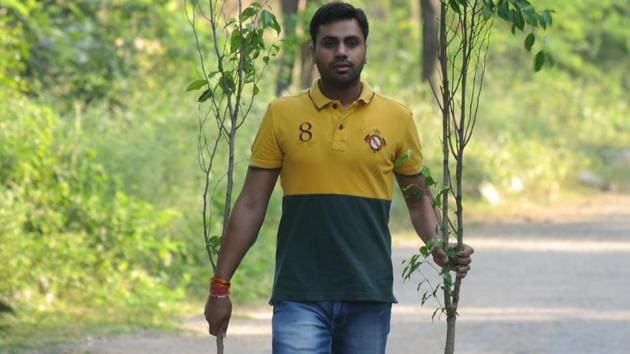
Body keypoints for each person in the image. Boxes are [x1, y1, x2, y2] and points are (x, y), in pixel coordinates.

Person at [204, 2, 474, 353]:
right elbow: (252, 204)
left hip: (368, 294)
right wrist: (219, 287)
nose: (342, 51)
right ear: (313, 51)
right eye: (330, 43)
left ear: (365, 49)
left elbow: (418, 198)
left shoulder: (397, 118)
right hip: (299, 293)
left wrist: (439, 247)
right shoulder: (282, 115)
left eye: (351, 42)